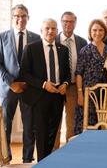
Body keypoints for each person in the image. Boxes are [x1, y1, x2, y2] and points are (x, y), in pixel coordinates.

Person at [0, 4, 40, 163]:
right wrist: (11, 83)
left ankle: (27, 159)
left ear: (28, 18)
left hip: (29, 89)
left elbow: (37, 66)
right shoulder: (1, 37)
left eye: (24, 16)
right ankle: (6, 158)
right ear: (12, 18)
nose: (21, 19)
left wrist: (28, 83)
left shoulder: (36, 38)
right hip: (7, 89)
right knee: (5, 126)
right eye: (17, 16)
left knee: (30, 127)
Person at [19, 19, 70, 161]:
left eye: (53, 28)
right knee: (41, 133)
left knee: (52, 133)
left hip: (57, 96)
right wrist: (43, 84)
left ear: (57, 30)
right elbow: (24, 74)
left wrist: (65, 84)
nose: (50, 31)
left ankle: (48, 161)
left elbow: (66, 73)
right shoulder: (31, 48)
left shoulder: (63, 50)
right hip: (39, 96)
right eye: (47, 28)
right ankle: (42, 161)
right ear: (41, 30)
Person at [74, 19, 107, 135]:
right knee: (87, 124)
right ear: (90, 32)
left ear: (104, 32)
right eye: (94, 30)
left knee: (103, 122)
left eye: (100, 30)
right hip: (88, 93)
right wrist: (80, 93)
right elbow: (79, 73)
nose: (97, 33)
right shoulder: (85, 50)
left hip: (106, 93)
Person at [55, 11, 87, 145]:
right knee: (55, 121)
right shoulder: (52, 39)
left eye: (71, 21)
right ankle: (54, 152)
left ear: (75, 23)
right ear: (61, 22)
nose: (68, 24)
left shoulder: (82, 42)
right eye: (65, 21)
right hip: (56, 87)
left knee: (72, 122)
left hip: (74, 86)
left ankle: (69, 150)